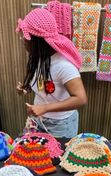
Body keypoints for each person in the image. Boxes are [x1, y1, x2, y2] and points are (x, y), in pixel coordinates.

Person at [16, 8, 87, 138]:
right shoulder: (39, 56)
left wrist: (45, 108)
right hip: (39, 120)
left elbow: (81, 99)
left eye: (26, 38)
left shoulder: (64, 66)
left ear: (38, 41)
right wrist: (27, 88)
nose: (23, 41)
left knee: (55, 157)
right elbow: (45, 83)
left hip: (60, 125)